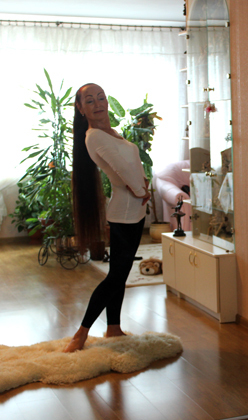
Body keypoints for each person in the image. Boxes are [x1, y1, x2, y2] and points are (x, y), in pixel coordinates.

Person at [64, 83, 151, 353]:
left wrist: (143, 182)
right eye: (90, 100)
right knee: (115, 277)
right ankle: (80, 334)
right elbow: (121, 168)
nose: (98, 103)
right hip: (125, 213)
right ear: (80, 108)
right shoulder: (94, 137)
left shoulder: (111, 133)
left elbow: (131, 164)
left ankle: (113, 328)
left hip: (134, 211)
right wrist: (141, 190)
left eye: (101, 98)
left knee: (119, 274)